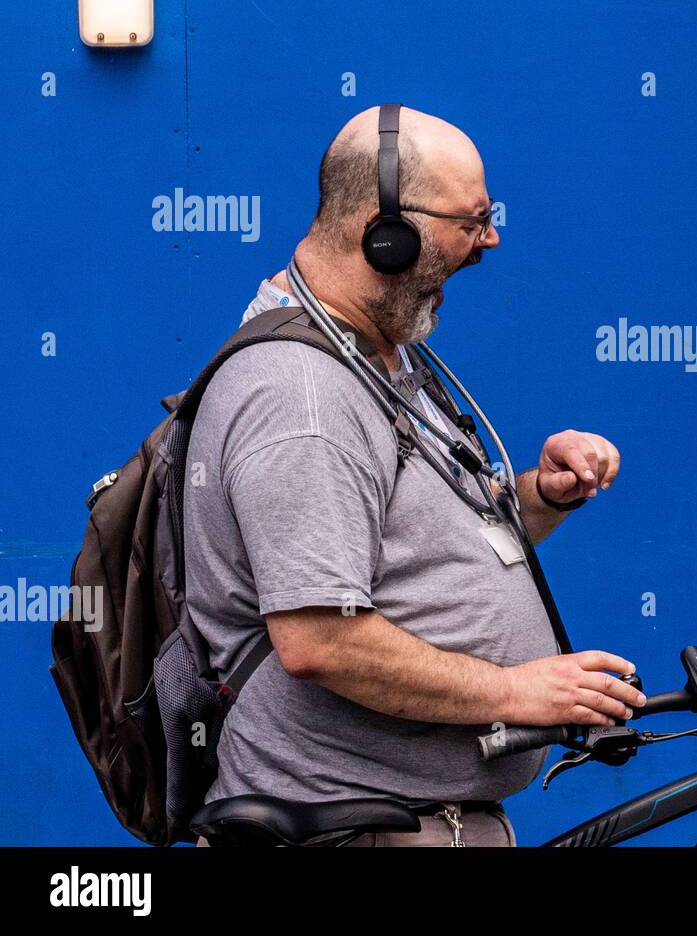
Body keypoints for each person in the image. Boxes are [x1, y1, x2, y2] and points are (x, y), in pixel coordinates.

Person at [186, 105, 643, 846]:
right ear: (384, 232)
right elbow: (317, 639)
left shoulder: (374, 350)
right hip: (353, 828)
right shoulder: (303, 398)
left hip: (416, 822)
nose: (490, 238)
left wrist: (540, 496)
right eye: (471, 220)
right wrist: (517, 690)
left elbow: (407, 546)